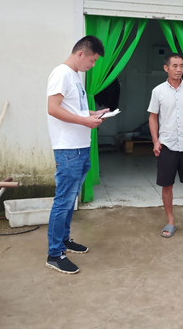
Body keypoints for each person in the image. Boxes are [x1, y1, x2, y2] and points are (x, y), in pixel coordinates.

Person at [45, 35, 109, 274]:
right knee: (63, 200)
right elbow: (53, 109)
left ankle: (64, 240)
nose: (92, 65)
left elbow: (74, 108)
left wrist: (92, 114)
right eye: (92, 61)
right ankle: (54, 254)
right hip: (68, 148)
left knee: (70, 199)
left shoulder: (75, 76)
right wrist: (85, 121)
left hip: (81, 146)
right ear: (81, 53)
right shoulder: (61, 74)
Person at [148, 53, 183, 239]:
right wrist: (155, 141)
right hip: (167, 145)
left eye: (181, 66)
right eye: (175, 66)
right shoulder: (158, 91)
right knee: (167, 186)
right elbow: (153, 117)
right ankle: (170, 221)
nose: (179, 69)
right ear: (166, 68)